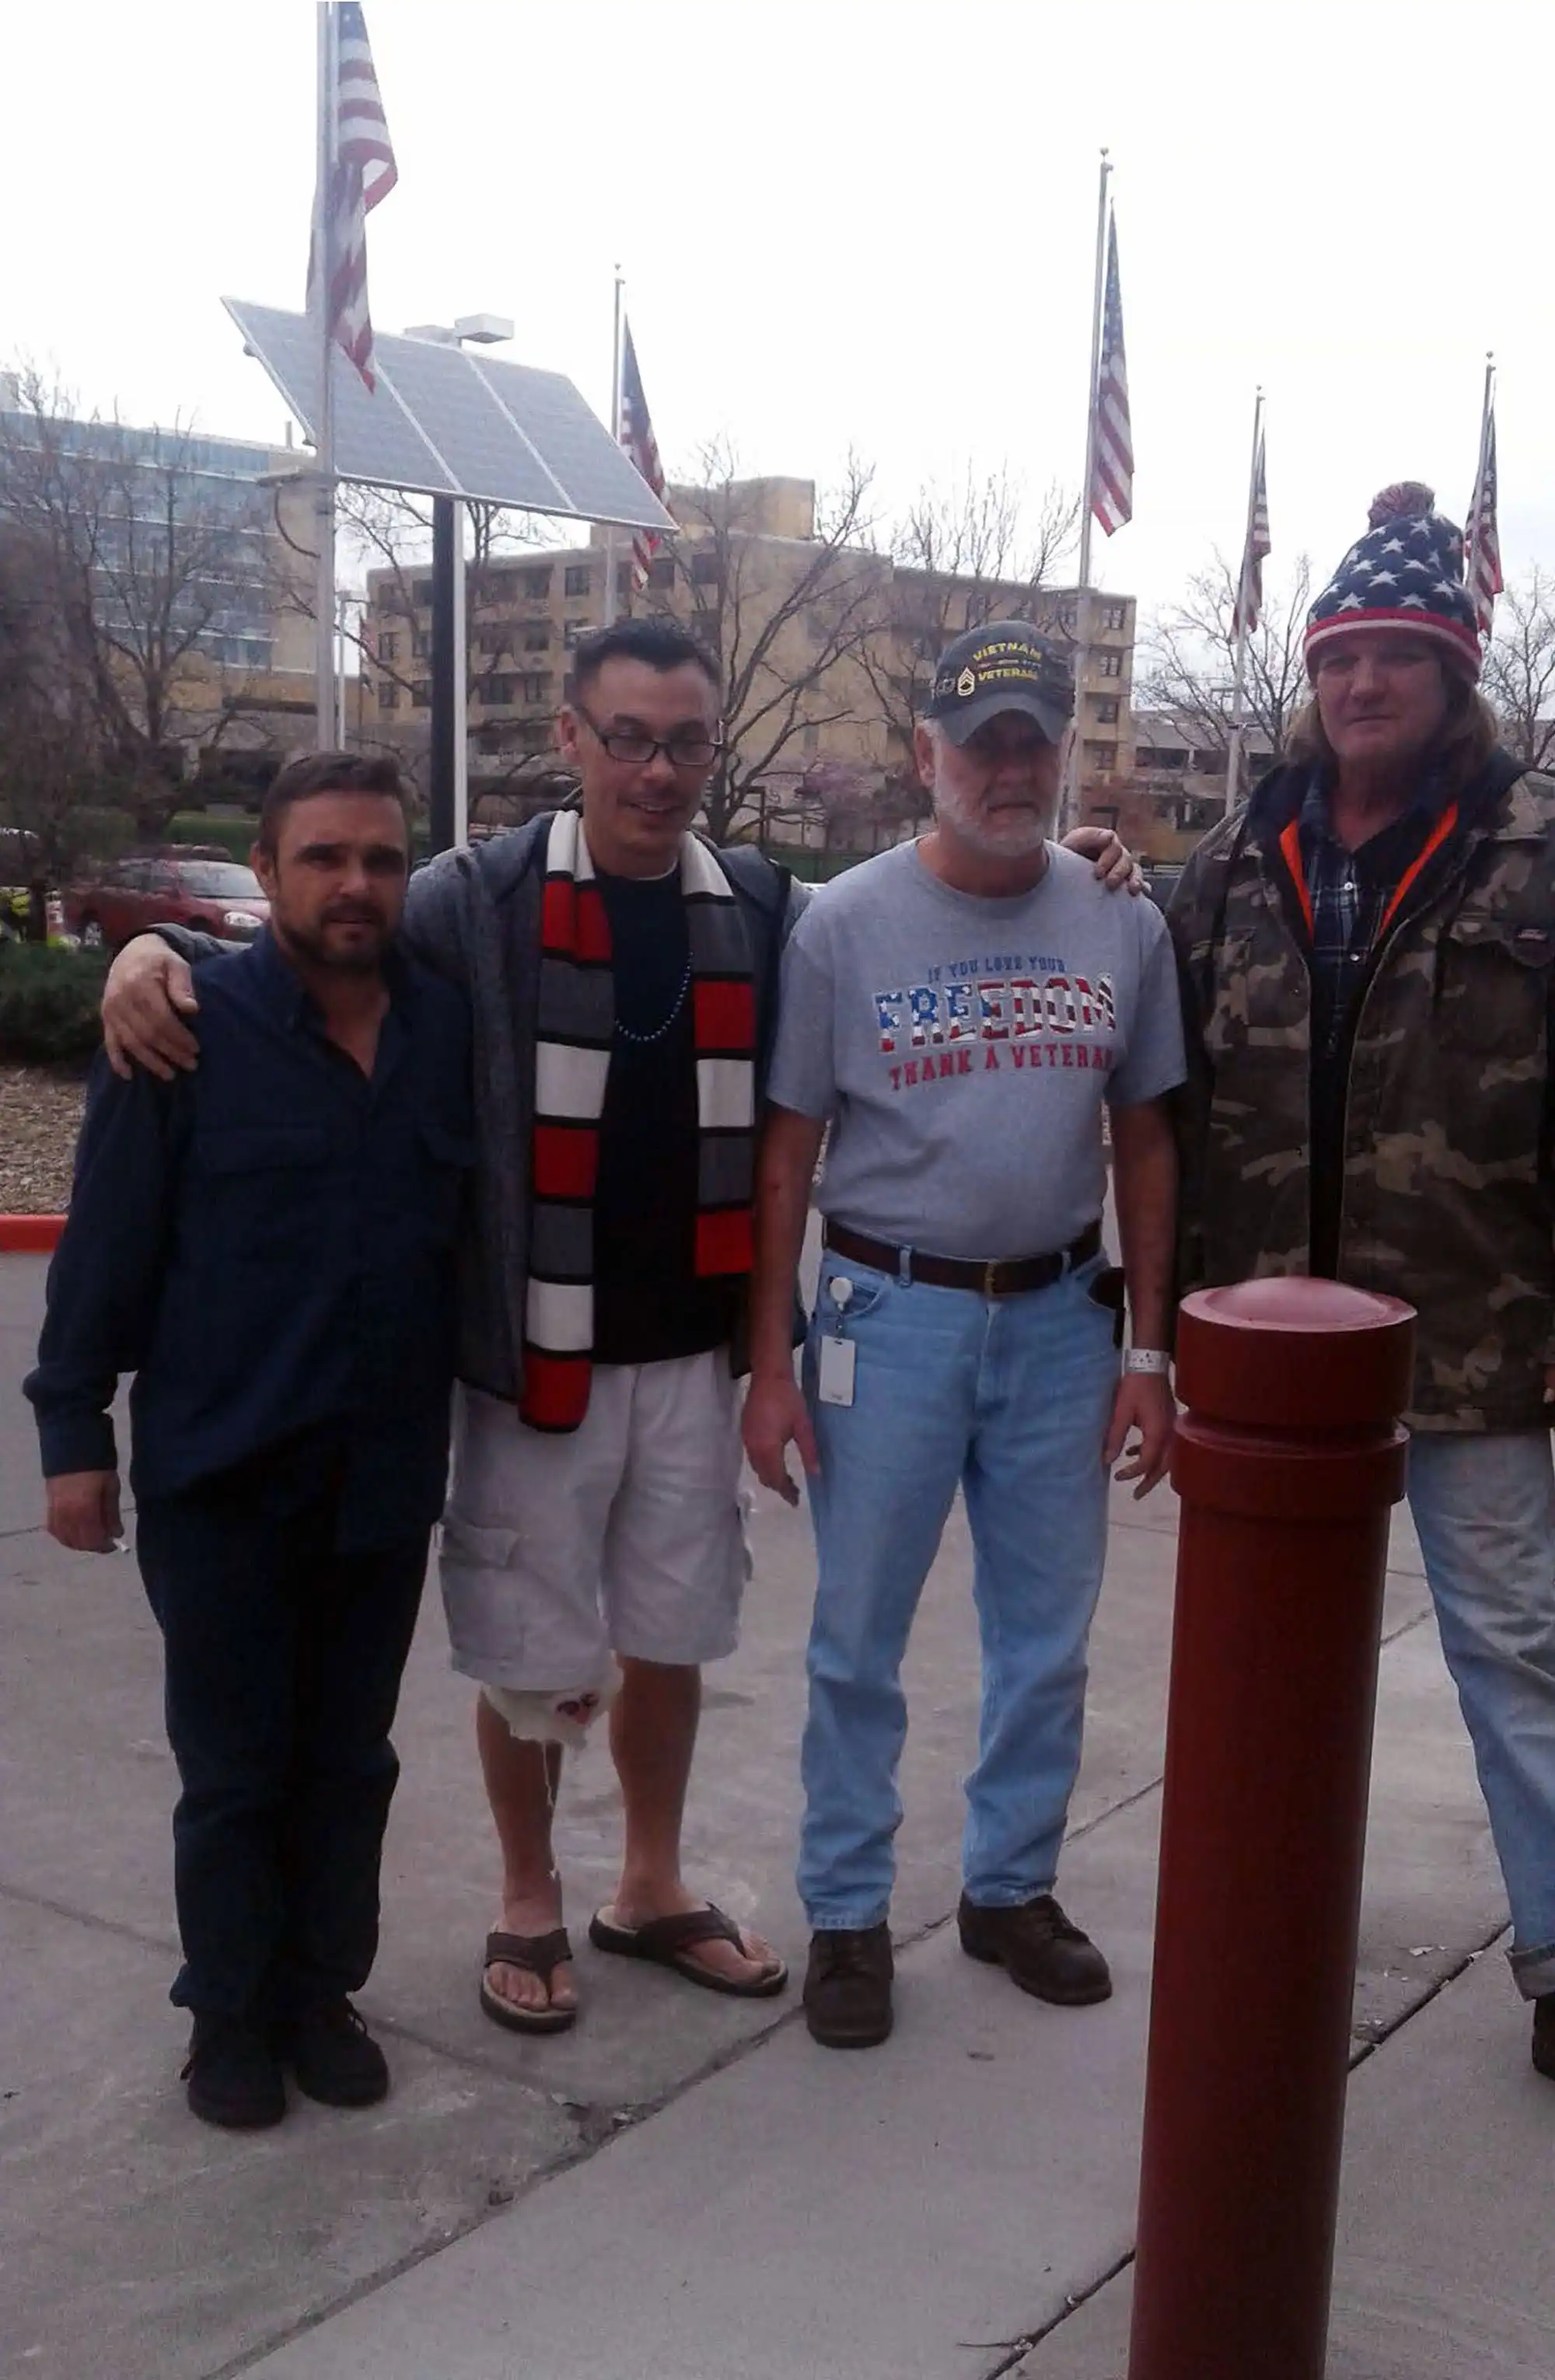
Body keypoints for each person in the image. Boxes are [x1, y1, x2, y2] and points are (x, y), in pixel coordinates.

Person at [101, 619, 1141, 2038]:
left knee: (671, 1633)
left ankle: (647, 1887)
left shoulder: (765, 901)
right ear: (576, 739)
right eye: (631, 738)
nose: (660, 771)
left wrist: (1081, 861)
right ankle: (528, 1896)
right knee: (533, 1646)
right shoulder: (477, 898)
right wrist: (152, 950)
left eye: (687, 742)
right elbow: (310, 926)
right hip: (538, 1348)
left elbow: (939, 910)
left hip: (691, 1351)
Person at [743, 620, 1183, 2050]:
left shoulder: (1123, 919)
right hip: (892, 1316)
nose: (1009, 766)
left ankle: (1010, 1890)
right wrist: (771, 1362)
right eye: (981, 739)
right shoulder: (843, 924)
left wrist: (1150, 1355)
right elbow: (786, 1154)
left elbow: (1148, 1141)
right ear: (925, 754)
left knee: (1046, 1638)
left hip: (1064, 1319)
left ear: (1066, 754)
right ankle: (850, 1916)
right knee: (858, 1640)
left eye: (1033, 739)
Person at [1169, 481, 1555, 2086]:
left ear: (1452, 675)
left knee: (1514, 1647)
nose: (1362, 686)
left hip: (1474, 1337)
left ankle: (1554, 1950)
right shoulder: (1230, 862)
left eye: (1397, 656)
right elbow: (1161, 1096)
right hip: (1269, 1358)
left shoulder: (1532, 856)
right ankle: (1259, 1926)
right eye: (1340, 660)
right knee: (1266, 1662)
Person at [27, 753, 471, 2127]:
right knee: (234, 1772)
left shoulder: (450, 1029)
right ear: (268, 873)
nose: (356, 885)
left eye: (382, 861)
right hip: (225, 1475)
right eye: (325, 858)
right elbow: (108, 1242)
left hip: (384, 1478)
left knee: (352, 1762)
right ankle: (226, 2013)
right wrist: (71, 1433)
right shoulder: (183, 1028)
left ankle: (317, 1991)